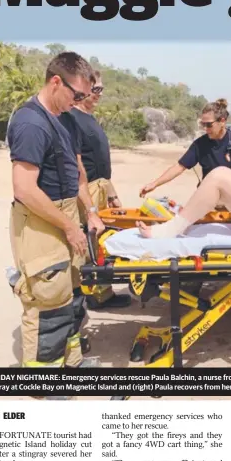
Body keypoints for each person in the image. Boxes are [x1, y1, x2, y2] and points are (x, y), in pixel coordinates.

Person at [7, 51, 105, 382]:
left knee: (72, 293)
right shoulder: (31, 122)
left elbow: (76, 172)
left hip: (66, 215)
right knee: (47, 298)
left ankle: (71, 365)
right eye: (77, 95)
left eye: (85, 96)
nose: (80, 101)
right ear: (55, 82)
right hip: (40, 219)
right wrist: (67, 225)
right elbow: (24, 189)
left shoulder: (63, 119)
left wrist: (88, 213)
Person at [59, 71, 131, 311]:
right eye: (96, 89)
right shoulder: (72, 119)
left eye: (102, 89)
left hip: (100, 187)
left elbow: (99, 163)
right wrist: (89, 205)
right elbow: (78, 166)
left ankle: (102, 294)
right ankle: (88, 297)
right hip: (85, 191)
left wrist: (111, 192)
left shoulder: (89, 118)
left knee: (100, 242)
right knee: (87, 243)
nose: (100, 94)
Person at [139, 98, 231, 197]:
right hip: (209, 196)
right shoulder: (200, 144)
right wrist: (154, 184)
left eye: (209, 125)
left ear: (222, 121)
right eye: (203, 124)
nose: (205, 129)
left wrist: (225, 190)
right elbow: (179, 167)